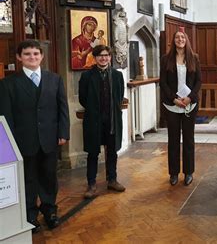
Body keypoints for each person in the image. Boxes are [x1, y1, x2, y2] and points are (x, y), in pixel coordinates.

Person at [0, 40, 70, 232]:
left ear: (42, 56)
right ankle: (30, 215)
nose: (32, 57)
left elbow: (62, 109)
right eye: (27, 54)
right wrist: (10, 143)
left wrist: (63, 133)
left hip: (50, 139)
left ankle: (50, 211)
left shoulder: (54, 79)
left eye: (36, 54)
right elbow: (6, 115)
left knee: (49, 178)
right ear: (19, 57)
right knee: (28, 179)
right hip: (24, 140)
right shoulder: (8, 84)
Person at [79, 45, 126, 199]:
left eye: (106, 55)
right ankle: (91, 184)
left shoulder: (117, 75)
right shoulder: (87, 76)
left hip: (112, 120)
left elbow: (120, 96)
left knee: (112, 151)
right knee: (93, 152)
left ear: (110, 57)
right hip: (94, 120)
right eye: (100, 55)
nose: (103, 58)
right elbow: (83, 98)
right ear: (95, 57)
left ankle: (112, 180)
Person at [160, 29, 202, 186]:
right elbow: (163, 82)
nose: (180, 39)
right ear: (173, 41)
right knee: (173, 140)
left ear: (186, 40)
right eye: (177, 37)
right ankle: (173, 173)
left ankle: (189, 172)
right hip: (172, 105)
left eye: (182, 37)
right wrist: (174, 99)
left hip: (189, 104)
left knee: (189, 140)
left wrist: (190, 97)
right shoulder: (166, 59)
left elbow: (198, 81)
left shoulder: (194, 58)